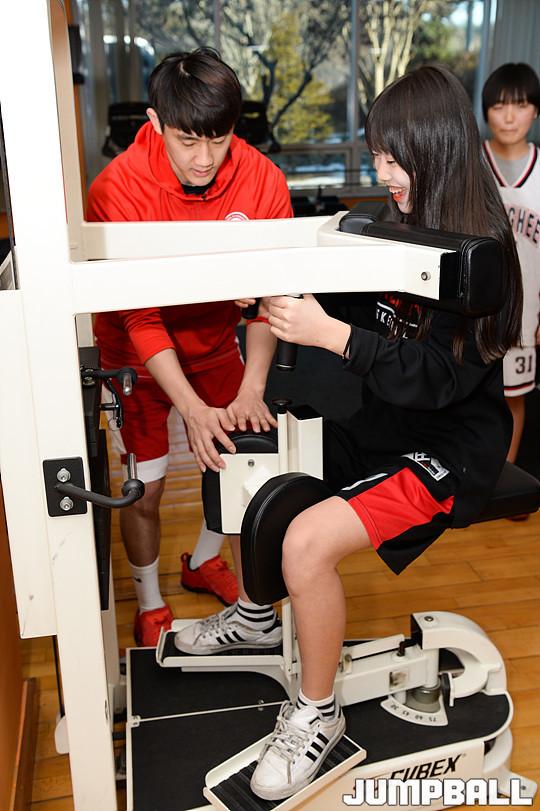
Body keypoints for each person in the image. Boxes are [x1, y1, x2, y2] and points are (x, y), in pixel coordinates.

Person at [174, 65, 523, 801]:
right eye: (376, 158)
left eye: (394, 160)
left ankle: (317, 712)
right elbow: (337, 303)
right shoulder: (388, 221)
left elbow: (437, 379)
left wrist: (332, 335)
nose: (383, 174)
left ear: (434, 149)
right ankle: (256, 617)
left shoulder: (482, 251)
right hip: (384, 417)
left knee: (306, 541)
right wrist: (277, 293)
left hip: (449, 445)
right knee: (246, 457)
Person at [87, 48, 292, 646]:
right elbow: (141, 316)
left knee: (238, 462)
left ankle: (202, 562)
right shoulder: (116, 188)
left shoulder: (262, 178)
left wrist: (253, 387)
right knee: (145, 489)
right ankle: (150, 600)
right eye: (187, 141)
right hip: (134, 355)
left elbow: (268, 296)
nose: (204, 159)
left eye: (218, 140)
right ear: (155, 123)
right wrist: (193, 410)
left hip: (215, 344)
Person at [482, 63, 540, 471]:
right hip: (475, 311)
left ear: (535, 111)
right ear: (486, 110)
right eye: (499, 106)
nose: (508, 117)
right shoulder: (472, 166)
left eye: (519, 105)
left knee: (513, 396)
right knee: (466, 395)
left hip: (525, 313)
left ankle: (505, 480)